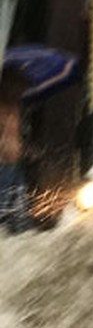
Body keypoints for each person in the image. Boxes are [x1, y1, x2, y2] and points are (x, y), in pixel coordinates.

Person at [0, 63, 32, 234]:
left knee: (19, 214)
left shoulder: (16, 107)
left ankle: (22, 236)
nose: (21, 92)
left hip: (14, 166)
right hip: (2, 166)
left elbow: (15, 137)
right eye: (18, 87)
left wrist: (27, 150)